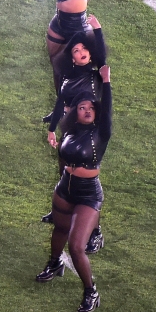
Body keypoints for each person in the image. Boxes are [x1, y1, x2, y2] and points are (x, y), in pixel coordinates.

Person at [36, 65, 111, 312]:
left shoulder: (102, 132)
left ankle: (91, 291)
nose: (87, 110)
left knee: (77, 246)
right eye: (82, 107)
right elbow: (62, 104)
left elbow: (107, 109)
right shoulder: (70, 129)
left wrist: (106, 83)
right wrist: (51, 130)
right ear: (76, 112)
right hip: (65, 187)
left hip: (89, 193)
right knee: (59, 228)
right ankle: (55, 263)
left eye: (91, 108)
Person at [41, 15, 106, 254]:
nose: (81, 52)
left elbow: (102, 55)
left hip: (90, 131)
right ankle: (63, 211)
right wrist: (51, 129)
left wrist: (97, 30)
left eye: (84, 49)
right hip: (69, 127)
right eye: (76, 50)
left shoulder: (96, 74)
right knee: (64, 171)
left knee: (87, 180)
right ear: (71, 57)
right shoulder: (68, 77)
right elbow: (60, 103)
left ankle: (95, 232)